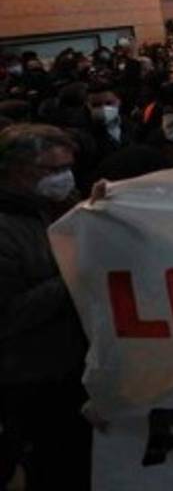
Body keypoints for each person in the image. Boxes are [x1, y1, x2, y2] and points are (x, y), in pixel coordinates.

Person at [0, 124, 91, 490]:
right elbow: (9, 315)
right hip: (31, 379)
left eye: (68, 167)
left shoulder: (60, 207)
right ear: (15, 170)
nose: (64, 177)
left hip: (76, 370)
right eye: (52, 170)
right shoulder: (6, 230)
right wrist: (72, 275)